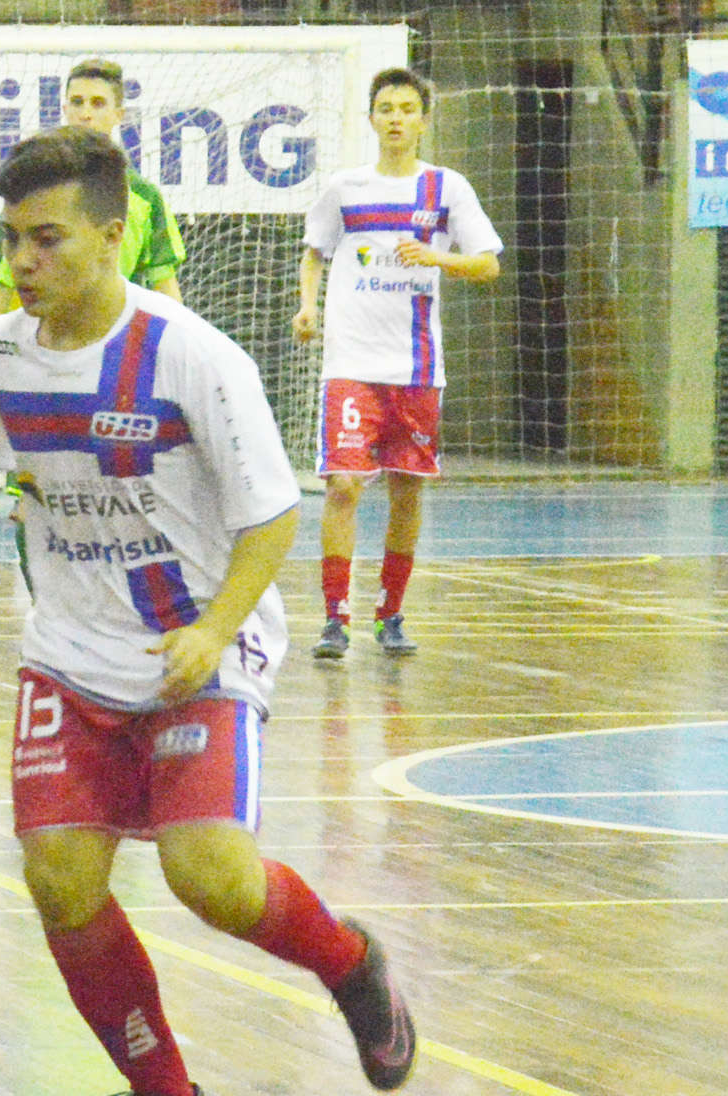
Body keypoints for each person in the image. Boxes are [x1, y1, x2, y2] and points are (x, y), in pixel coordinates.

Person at [0, 128, 415, 1096]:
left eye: (46, 239)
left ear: (111, 232)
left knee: (209, 877)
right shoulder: (1, 352)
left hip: (196, 646)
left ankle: (351, 962)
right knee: (59, 876)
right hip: (68, 653)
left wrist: (215, 629)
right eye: (11, 241)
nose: (23, 262)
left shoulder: (189, 355)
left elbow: (271, 516)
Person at [292, 67, 501, 659]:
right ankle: (335, 617)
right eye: (386, 108)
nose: (396, 119)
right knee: (344, 487)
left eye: (407, 109)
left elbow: (487, 264)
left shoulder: (446, 189)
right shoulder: (345, 188)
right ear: (371, 117)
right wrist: (307, 307)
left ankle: (392, 614)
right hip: (351, 365)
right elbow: (315, 251)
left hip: (415, 369)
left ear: (423, 119)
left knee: (407, 493)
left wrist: (439, 258)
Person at [0, 58, 187, 531]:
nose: (86, 112)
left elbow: (164, 280)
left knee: (105, 498)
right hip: (44, 351)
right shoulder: (37, 192)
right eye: (77, 102)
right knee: (36, 505)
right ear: (64, 108)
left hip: (111, 357)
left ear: (119, 114)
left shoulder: (143, 197)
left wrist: (179, 347)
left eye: (98, 103)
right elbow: (1, 282)